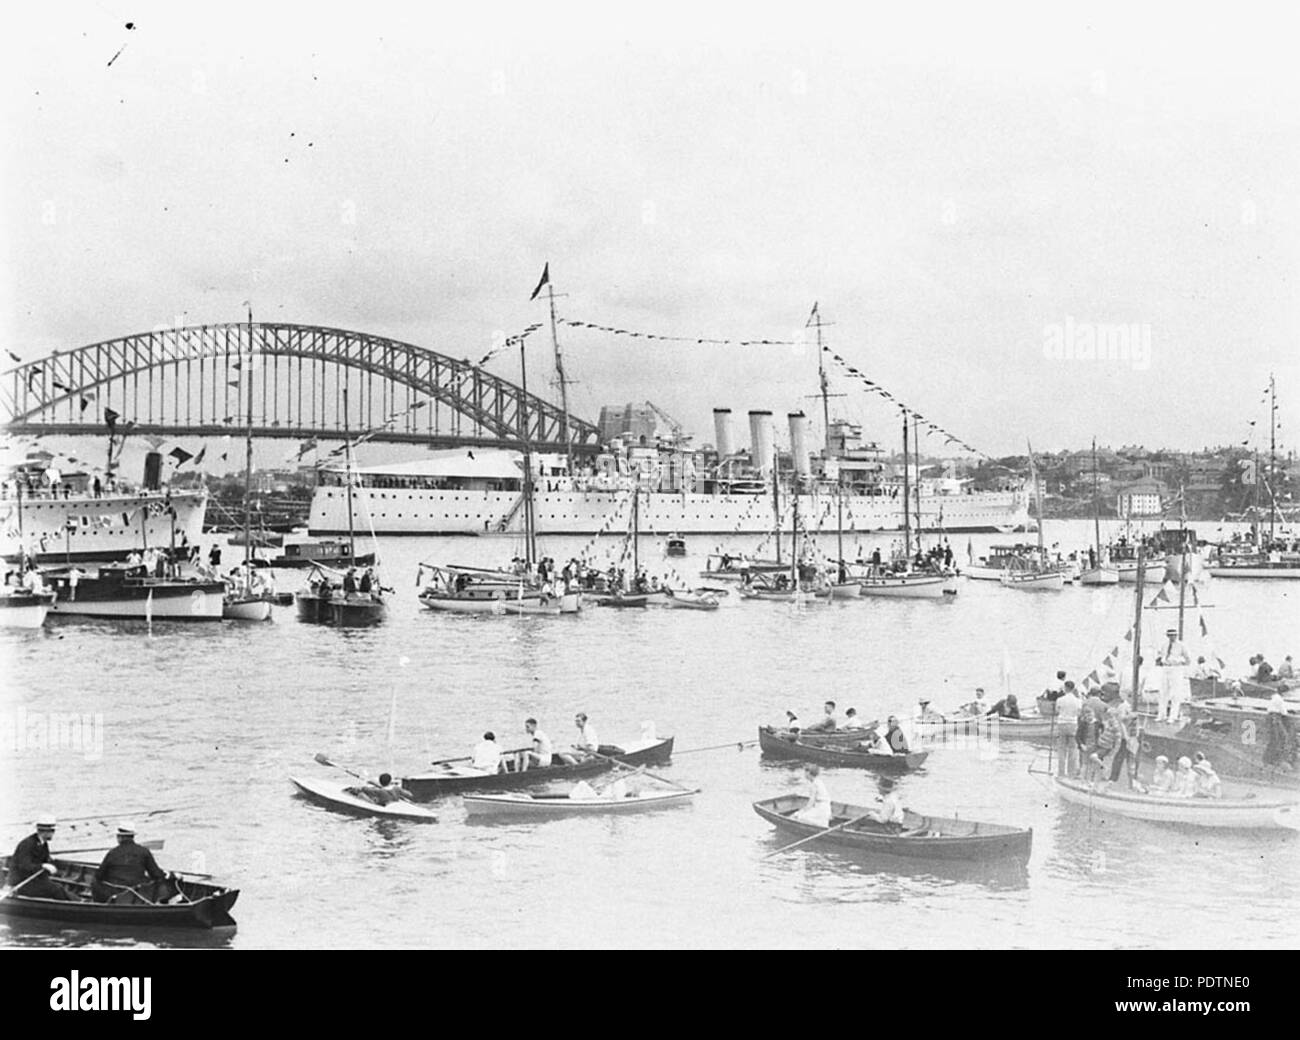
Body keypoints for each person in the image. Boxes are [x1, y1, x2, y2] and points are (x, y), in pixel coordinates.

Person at [92, 822, 170, 903]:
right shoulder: (144, 851)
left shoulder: (112, 853)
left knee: (94, 882)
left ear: (120, 837)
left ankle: (99, 905)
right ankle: (159, 902)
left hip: (115, 892)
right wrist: (167, 875)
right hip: (138, 891)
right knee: (155, 880)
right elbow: (156, 874)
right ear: (132, 837)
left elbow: (99, 875)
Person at [7, 816, 71, 900]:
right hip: (22, 884)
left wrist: (50, 862)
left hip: (35, 881)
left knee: (60, 888)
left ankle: (79, 902)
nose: (53, 834)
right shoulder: (27, 844)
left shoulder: (43, 843)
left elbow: (45, 859)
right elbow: (24, 866)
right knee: (57, 889)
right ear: (44, 831)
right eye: (52, 831)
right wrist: (43, 866)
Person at [1055, 681, 1082, 777]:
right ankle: (1071, 772)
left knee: (1061, 749)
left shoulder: (1060, 699)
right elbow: (1079, 713)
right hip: (1073, 724)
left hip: (1062, 723)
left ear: (1065, 688)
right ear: (1074, 689)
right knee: (1073, 749)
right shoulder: (1078, 701)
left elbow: (1057, 711)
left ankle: (1061, 772)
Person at [346, 773, 411, 806]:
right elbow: (409, 794)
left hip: (384, 805)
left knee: (361, 794)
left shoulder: (379, 791)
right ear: (390, 781)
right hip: (394, 803)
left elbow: (365, 789)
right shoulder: (396, 788)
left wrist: (356, 789)